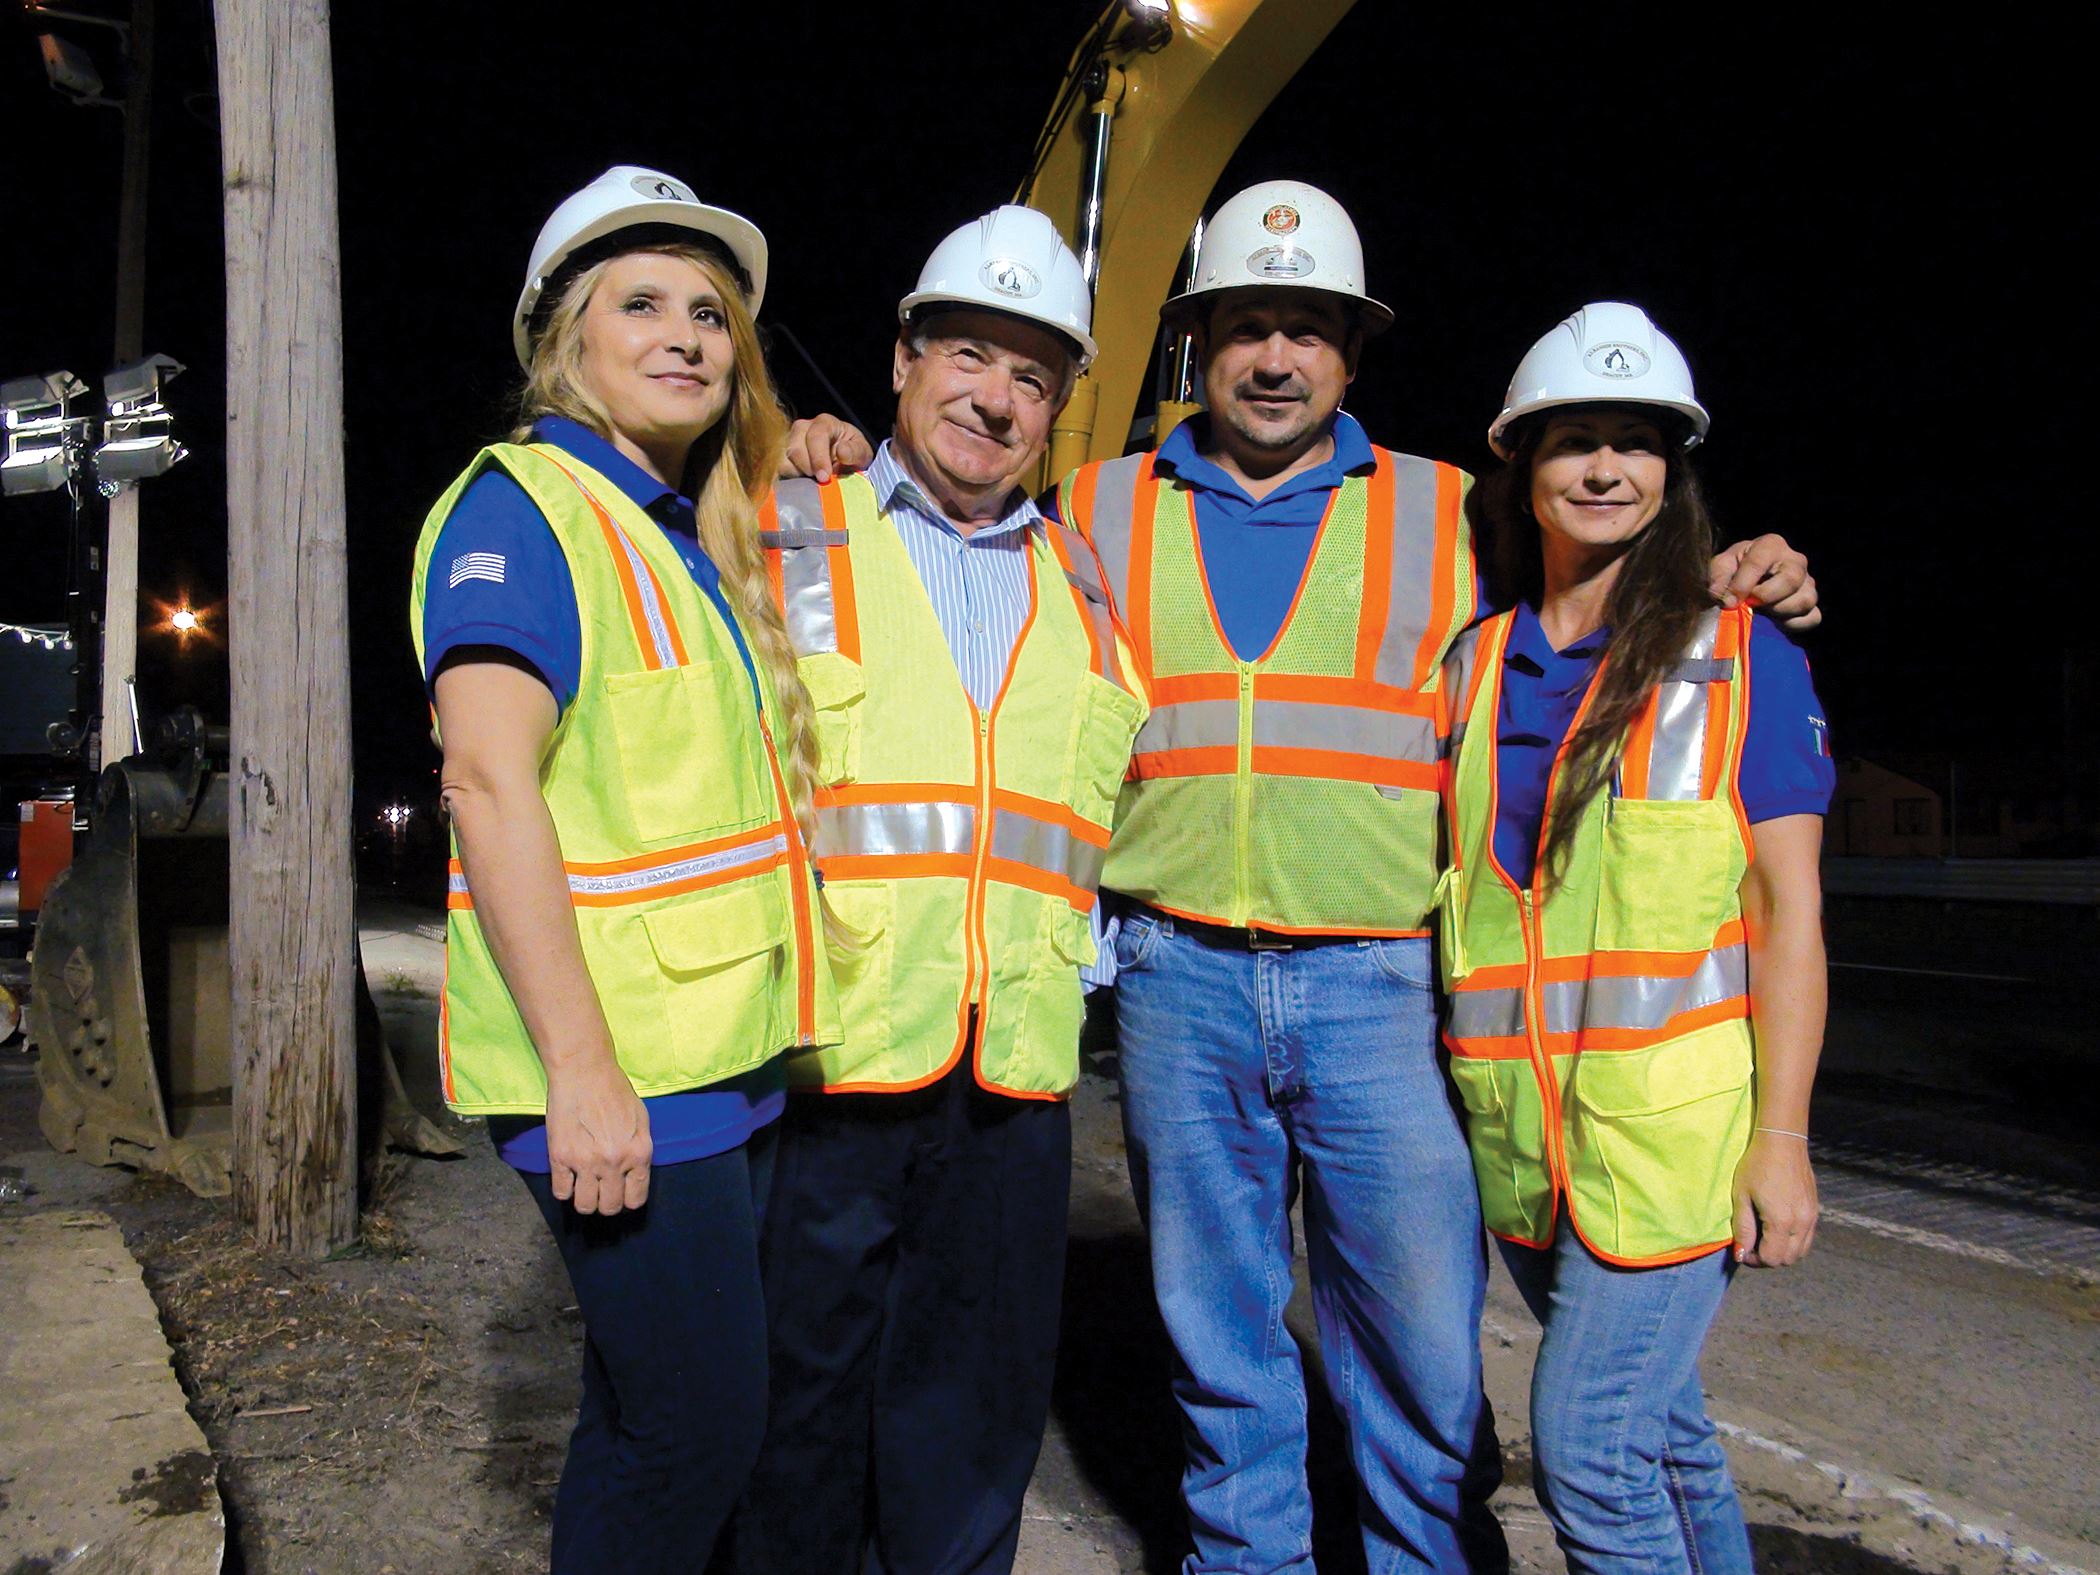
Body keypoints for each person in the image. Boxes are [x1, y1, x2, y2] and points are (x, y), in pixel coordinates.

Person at [1054, 181, 1822, 1574]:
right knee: (1218, 1338)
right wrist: (825, 455)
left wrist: (1744, 568)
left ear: (1354, 354)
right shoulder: (1095, 504)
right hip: (1176, 981)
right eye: (1245, 327)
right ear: (1198, 346)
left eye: (1308, 330)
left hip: (1385, 988)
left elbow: (1607, 562)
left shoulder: (1450, 506)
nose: (1275, 358)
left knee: (1417, 1352)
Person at [407, 165, 838, 1573]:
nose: (687, 335)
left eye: (710, 313)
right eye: (639, 302)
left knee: (651, 1411)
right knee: (694, 1431)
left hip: (713, 1064)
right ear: (565, 337)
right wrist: (584, 1073)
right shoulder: (523, 509)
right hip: (623, 1079)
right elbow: (485, 777)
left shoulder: (673, 530)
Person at [719, 205, 1146, 1575]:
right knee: (800, 1403)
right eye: (970, 353)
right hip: (827, 1063)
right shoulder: (785, 527)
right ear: (901, 357)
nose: (997, 397)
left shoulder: (1083, 574)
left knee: (975, 1408)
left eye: (1032, 376)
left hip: (1014, 1075)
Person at [1436, 302, 1828, 1574]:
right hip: (1528, 1151)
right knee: (1663, 1434)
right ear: (1524, 466)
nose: (1605, 468)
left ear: (1674, 474)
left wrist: (1783, 1142)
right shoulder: (1473, 665)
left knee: (1589, 1443)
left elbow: (1790, 915)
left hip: (1674, 1145)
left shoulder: (1738, 657)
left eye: (1636, 444)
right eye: (1574, 441)